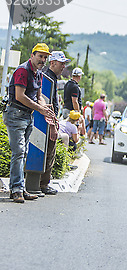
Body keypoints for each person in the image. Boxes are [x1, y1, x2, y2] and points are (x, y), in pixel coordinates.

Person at [3, 43, 55, 203]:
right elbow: (20, 96)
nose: (43, 60)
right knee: (19, 152)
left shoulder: (38, 73)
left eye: (45, 57)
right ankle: (17, 189)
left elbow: (37, 95)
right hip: (15, 114)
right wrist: (40, 108)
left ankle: (20, 188)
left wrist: (43, 106)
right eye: (40, 56)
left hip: (27, 116)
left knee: (23, 152)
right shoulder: (22, 70)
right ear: (32, 55)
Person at [38, 50, 71, 196]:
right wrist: (52, 125)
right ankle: (43, 184)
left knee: (49, 152)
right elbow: (48, 104)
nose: (63, 66)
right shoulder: (47, 78)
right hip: (46, 122)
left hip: (48, 121)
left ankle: (42, 182)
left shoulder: (51, 78)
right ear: (53, 63)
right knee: (49, 152)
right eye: (61, 63)